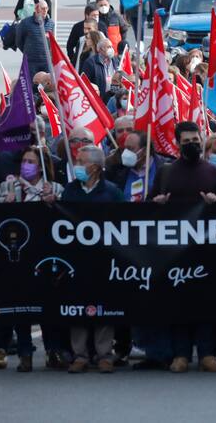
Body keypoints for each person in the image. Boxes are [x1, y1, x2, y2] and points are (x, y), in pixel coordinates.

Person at [149, 122, 216, 373]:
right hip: (175, 249)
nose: (192, 144)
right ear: (177, 144)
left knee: (206, 302)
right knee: (178, 303)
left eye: (196, 139)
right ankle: (181, 354)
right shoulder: (165, 172)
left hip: (207, 248)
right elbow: (150, 205)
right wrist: (157, 202)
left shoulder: (215, 174)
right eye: (186, 141)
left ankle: (207, 354)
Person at [0, 145, 62, 372]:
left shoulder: (55, 188)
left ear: (41, 167)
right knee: (20, 305)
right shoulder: (9, 185)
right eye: (24, 161)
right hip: (17, 258)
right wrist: (5, 203)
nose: (26, 165)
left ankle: (53, 350)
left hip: (45, 255)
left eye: (31, 162)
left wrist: (54, 203)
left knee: (48, 305)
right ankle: (25, 352)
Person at [62, 145, 123, 373]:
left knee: (104, 305)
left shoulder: (112, 192)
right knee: (77, 305)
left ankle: (104, 354)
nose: (77, 165)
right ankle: (80, 355)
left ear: (96, 167)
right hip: (76, 257)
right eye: (76, 161)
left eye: (81, 162)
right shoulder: (70, 190)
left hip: (104, 258)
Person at [13, 0, 55, 75]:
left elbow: (52, 42)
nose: (45, 10)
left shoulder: (51, 23)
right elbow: (19, 41)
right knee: (31, 84)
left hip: (46, 62)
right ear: (36, 9)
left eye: (46, 8)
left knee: (46, 85)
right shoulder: (26, 23)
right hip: (31, 62)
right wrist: (27, 51)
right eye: (43, 8)